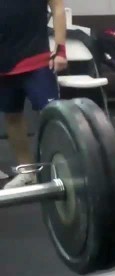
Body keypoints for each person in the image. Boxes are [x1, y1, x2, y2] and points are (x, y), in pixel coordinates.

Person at [0, 0, 67, 189]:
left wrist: (60, 49)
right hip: (4, 62)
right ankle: (27, 172)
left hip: (36, 58)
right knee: (12, 116)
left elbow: (58, 8)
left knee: (52, 115)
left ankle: (65, 167)